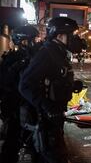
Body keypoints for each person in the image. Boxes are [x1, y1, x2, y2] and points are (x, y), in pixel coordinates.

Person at [18, 17, 86, 163]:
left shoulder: (59, 53)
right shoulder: (47, 53)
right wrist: (46, 107)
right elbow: (25, 85)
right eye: (71, 35)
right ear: (60, 35)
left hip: (55, 119)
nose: (74, 38)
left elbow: (53, 79)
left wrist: (72, 85)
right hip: (45, 120)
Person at [0, 25, 39, 163]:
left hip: (30, 106)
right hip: (15, 108)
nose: (34, 43)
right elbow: (5, 82)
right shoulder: (12, 59)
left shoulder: (35, 58)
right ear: (22, 41)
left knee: (36, 143)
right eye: (31, 40)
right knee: (13, 140)